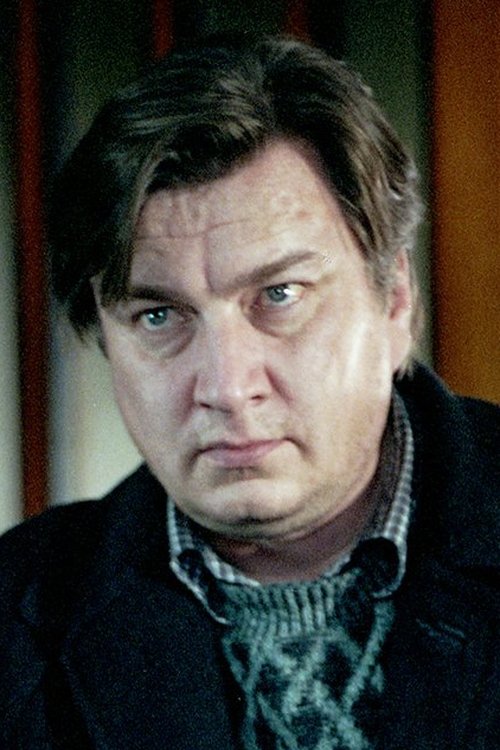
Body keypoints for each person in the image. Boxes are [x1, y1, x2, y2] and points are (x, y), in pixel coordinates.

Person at [1, 36, 498, 750]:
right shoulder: (16, 620)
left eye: (280, 295)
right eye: (158, 316)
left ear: (394, 301)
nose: (229, 388)